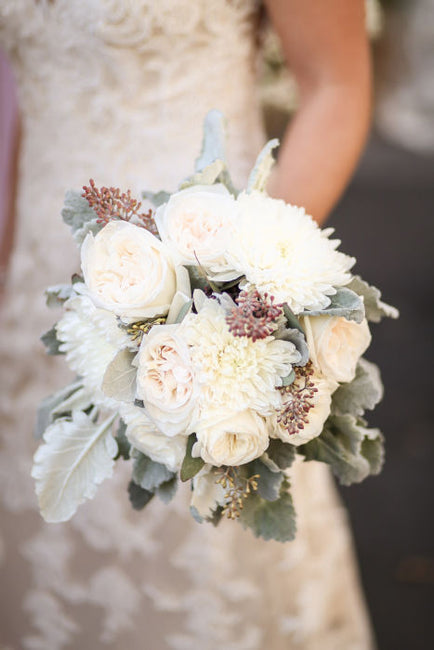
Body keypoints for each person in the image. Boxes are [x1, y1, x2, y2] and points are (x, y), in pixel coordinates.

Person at [0, 1, 374, 648]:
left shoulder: (225, 301)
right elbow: (40, 102)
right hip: (42, 285)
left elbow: (336, 86)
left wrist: (241, 293)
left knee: (204, 552)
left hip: (207, 294)